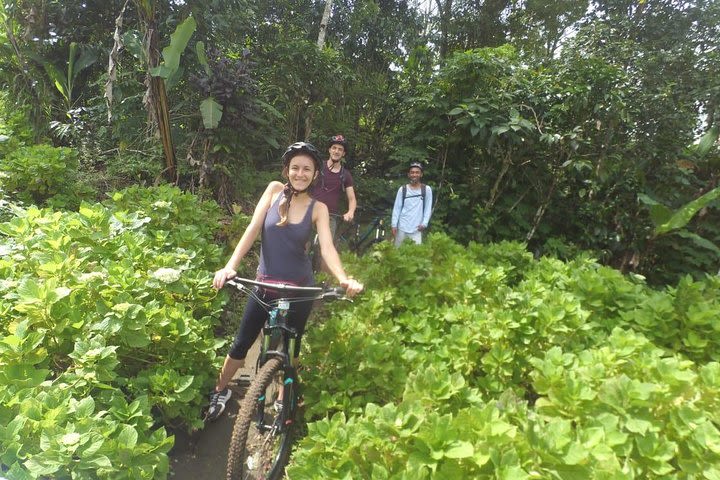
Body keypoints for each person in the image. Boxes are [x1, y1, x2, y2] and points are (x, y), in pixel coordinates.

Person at [207, 142, 363, 421]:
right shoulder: (273, 191)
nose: (299, 173)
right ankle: (220, 389)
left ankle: (282, 396)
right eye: (295, 168)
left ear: (316, 174)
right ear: (287, 170)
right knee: (240, 344)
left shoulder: (318, 208)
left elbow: (327, 248)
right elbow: (252, 230)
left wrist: (344, 278)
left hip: (299, 290)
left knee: (290, 347)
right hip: (264, 285)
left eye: (306, 169)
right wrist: (229, 266)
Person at [310, 134, 357, 237]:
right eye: (334, 148)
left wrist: (350, 212)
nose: (336, 151)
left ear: (343, 153)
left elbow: (352, 198)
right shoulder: (318, 166)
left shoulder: (345, 174)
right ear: (329, 150)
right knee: (303, 244)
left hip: (330, 216)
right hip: (310, 211)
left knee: (326, 246)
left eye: (340, 149)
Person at [391, 162, 433, 246]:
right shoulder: (402, 189)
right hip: (402, 227)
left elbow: (428, 208)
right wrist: (394, 224)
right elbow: (397, 208)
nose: (414, 174)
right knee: (398, 254)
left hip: (417, 229)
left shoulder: (426, 189)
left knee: (416, 254)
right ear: (409, 174)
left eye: (417, 172)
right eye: (412, 172)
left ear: (421, 174)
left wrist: (424, 223)